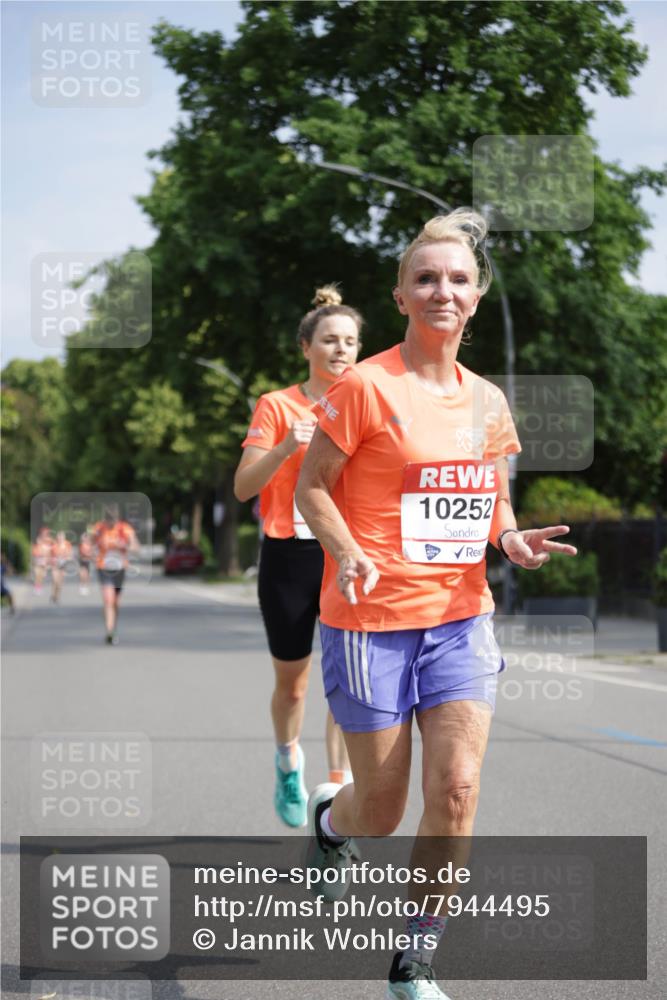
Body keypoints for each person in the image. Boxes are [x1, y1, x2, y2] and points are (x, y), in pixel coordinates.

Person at [296, 211, 577, 999]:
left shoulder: (486, 400)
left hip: (459, 617)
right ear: (400, 295)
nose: (441, 290)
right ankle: (330, 822)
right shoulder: (363, 385)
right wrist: (346, 549)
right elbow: (313, 487)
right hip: (369, 622)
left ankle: (413, 959)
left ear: (476, 296)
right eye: (425, 278)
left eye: (457, 279)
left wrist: (511, 540)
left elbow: (487, 498)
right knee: (378, 811)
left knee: (455, 790)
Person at [234, 286, 363, 828]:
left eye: (351, 341)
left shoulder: (367, 401)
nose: (341, 350)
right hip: (288, 556)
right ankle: (288, 760)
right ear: (306, 346)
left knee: (347, 682)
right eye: (330, 340)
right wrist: (287, 445)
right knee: (295, 683)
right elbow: (244, 487)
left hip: (345, 556)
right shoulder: (276, 405)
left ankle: (334, 794)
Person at [92, 509, 139, 645]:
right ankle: (110, 632)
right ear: (105, 519)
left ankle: (113, 625)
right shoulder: (99, 528)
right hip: (103, 567)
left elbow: (136, 547)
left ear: (117, 519)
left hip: (120, 569)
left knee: (116, 602)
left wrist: (126, 546)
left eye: (113, 520)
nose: (110, 523)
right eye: (108, 520)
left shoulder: (125, 529)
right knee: (108, 599)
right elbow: (90, 542)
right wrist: (92, 550)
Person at [50, 530, 73, 604]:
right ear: (57, 537)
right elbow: (49, 554)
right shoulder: (54, 544)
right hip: (55, 565)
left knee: (60, 582)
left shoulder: (67, 544)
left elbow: (70, 554)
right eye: (59, 536)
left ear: (64, 537)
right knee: (54, 580)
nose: (60, 538)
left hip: (63, 565)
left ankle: (57, 597)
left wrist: (68, 558)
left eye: (62, 536)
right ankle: (53, 594)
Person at [31, 526, 52, 595]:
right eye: (43, 533)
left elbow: (51, 550)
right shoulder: (38, 539)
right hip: (37, 559)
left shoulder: (49, 541)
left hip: (45, 560)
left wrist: (49, 560)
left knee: (42, 575)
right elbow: (34, 549)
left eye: (46, 533)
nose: (45, 534)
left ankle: (39, 586)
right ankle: (37, 587)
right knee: (37, 574)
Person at [78, 529, 93, 595]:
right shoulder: (82, 545)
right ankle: (82, 586)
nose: (86, 539)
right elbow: (82, 553)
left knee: (87, 575)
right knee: (82, 574)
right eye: (85, 538)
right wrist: (89, 554)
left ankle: (86, 587)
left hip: (88, 561)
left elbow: (92, 552)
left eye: (87, 538)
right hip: (82, 560)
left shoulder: (90, 544)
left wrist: (91, 555)